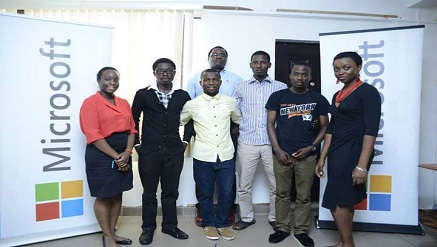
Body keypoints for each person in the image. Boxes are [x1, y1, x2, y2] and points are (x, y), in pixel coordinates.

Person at [315, 51, 381, 247]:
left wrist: (362, 166)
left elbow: (371, 130)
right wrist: (322, 157)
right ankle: (345, 243)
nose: (340, 72)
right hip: (337, 150)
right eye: (337, 69)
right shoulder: (338, 94)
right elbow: (332, 128)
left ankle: (348, 245)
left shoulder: (368, 92)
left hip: (355, 149)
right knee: (344, 198)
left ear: (358, 67)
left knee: (339, 199)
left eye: (346, 67)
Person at [266, 61, 330, 246]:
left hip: (307, 156)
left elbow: (325, 126)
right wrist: (277, 150)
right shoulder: (278, 96)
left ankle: (301, 231)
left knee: (304, 196)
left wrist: (311, 147)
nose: (300, 78)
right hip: (282, 154)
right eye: (296, 74)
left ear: (310, 78)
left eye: (304, 75)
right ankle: (282, 228)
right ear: (290, 75)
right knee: (282, 194)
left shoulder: (319, 99)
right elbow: (270, 124)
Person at [131, 58, 194, 245]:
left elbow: (191, 120)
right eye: (160, 70)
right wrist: (137, 145)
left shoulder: (182, 95)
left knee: (170, 191)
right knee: (149, 192)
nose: (165, 73)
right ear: (154, 73)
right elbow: (133, 119)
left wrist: (184, 141)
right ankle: (148, 228)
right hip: (149, 152)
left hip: (174, 152)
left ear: (174, 73)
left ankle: (170, 226)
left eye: (168, 70)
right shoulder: (143, 94)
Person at [180, 69, 241, 241]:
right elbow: (179, 121)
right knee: (205, 193)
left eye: (215, 80)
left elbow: (238, 120)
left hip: (226, 154)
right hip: (203, 155)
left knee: (227, 192)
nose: (211, 83)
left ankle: (222, 223)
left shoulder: (230, 102)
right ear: (201, 83)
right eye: (207, 80)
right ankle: (208, 223)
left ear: (220, 82)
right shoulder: (192, 104)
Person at [79, 67, 136, 247]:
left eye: (115, 80)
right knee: (104, 195)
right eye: (107, 79)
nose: (112, 83)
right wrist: (116, 157)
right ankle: (107, 236)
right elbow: (93, 134)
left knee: (117, 193)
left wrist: (127, 153)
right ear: (99, 81)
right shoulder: (90, 103)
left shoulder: (124, 102)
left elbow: (132, 129)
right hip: (101, 152)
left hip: (123, 151)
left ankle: (113, 232)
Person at [232, 51, 287, 231]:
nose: (259, 65)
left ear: (269, 65)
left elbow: (286, 114)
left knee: (276, 185)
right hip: (247, 141)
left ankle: (274, 217)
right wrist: (241, 125)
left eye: (263, 62)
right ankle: (246, 218)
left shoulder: (281, 87)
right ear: (250, 65)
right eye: (255, 62)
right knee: (244, 185)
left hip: (273, 144)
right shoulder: (241, 87)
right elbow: (233, 111)